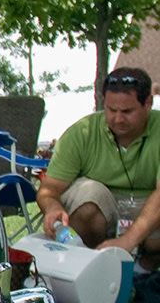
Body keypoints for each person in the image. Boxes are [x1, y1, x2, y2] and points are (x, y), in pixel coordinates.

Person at [37, 67, 160, 264]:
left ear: (148, 104)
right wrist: (52, 206)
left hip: (148, 210)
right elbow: (48, 190)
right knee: (89, 194)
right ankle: (89, 267)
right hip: (104, 211)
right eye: (111, 110)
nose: (118, 118)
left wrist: (128, 240)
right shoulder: (81, 133)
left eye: (127, 111)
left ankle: (144, 272)